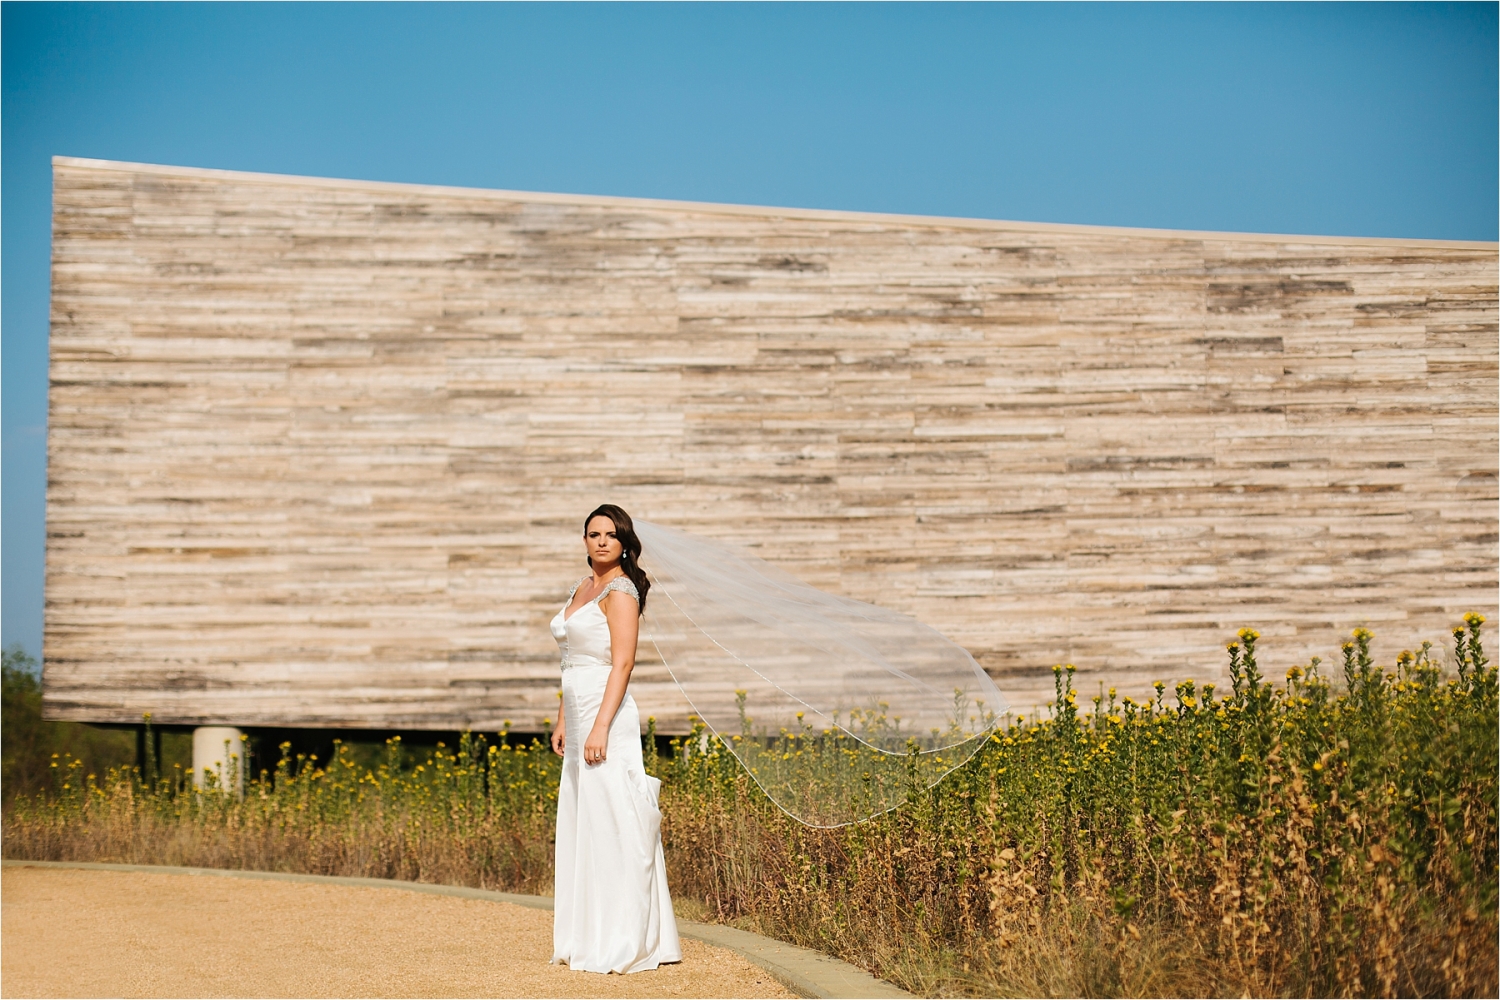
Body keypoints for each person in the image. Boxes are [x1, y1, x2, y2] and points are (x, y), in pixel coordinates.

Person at [549, 503, 681, 974]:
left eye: (610, 534)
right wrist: (564, 717)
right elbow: (569, 660)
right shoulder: (581, 588)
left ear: (624, 541)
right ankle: (586, 931)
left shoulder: (621, 590)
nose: (601, 541)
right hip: (580, 709)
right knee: (587, 817)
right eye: (593, 533)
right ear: (584, 541)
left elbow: (622, 663)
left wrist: (601, 724)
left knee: (615, 816)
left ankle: (625, 937)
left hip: (608, 713)